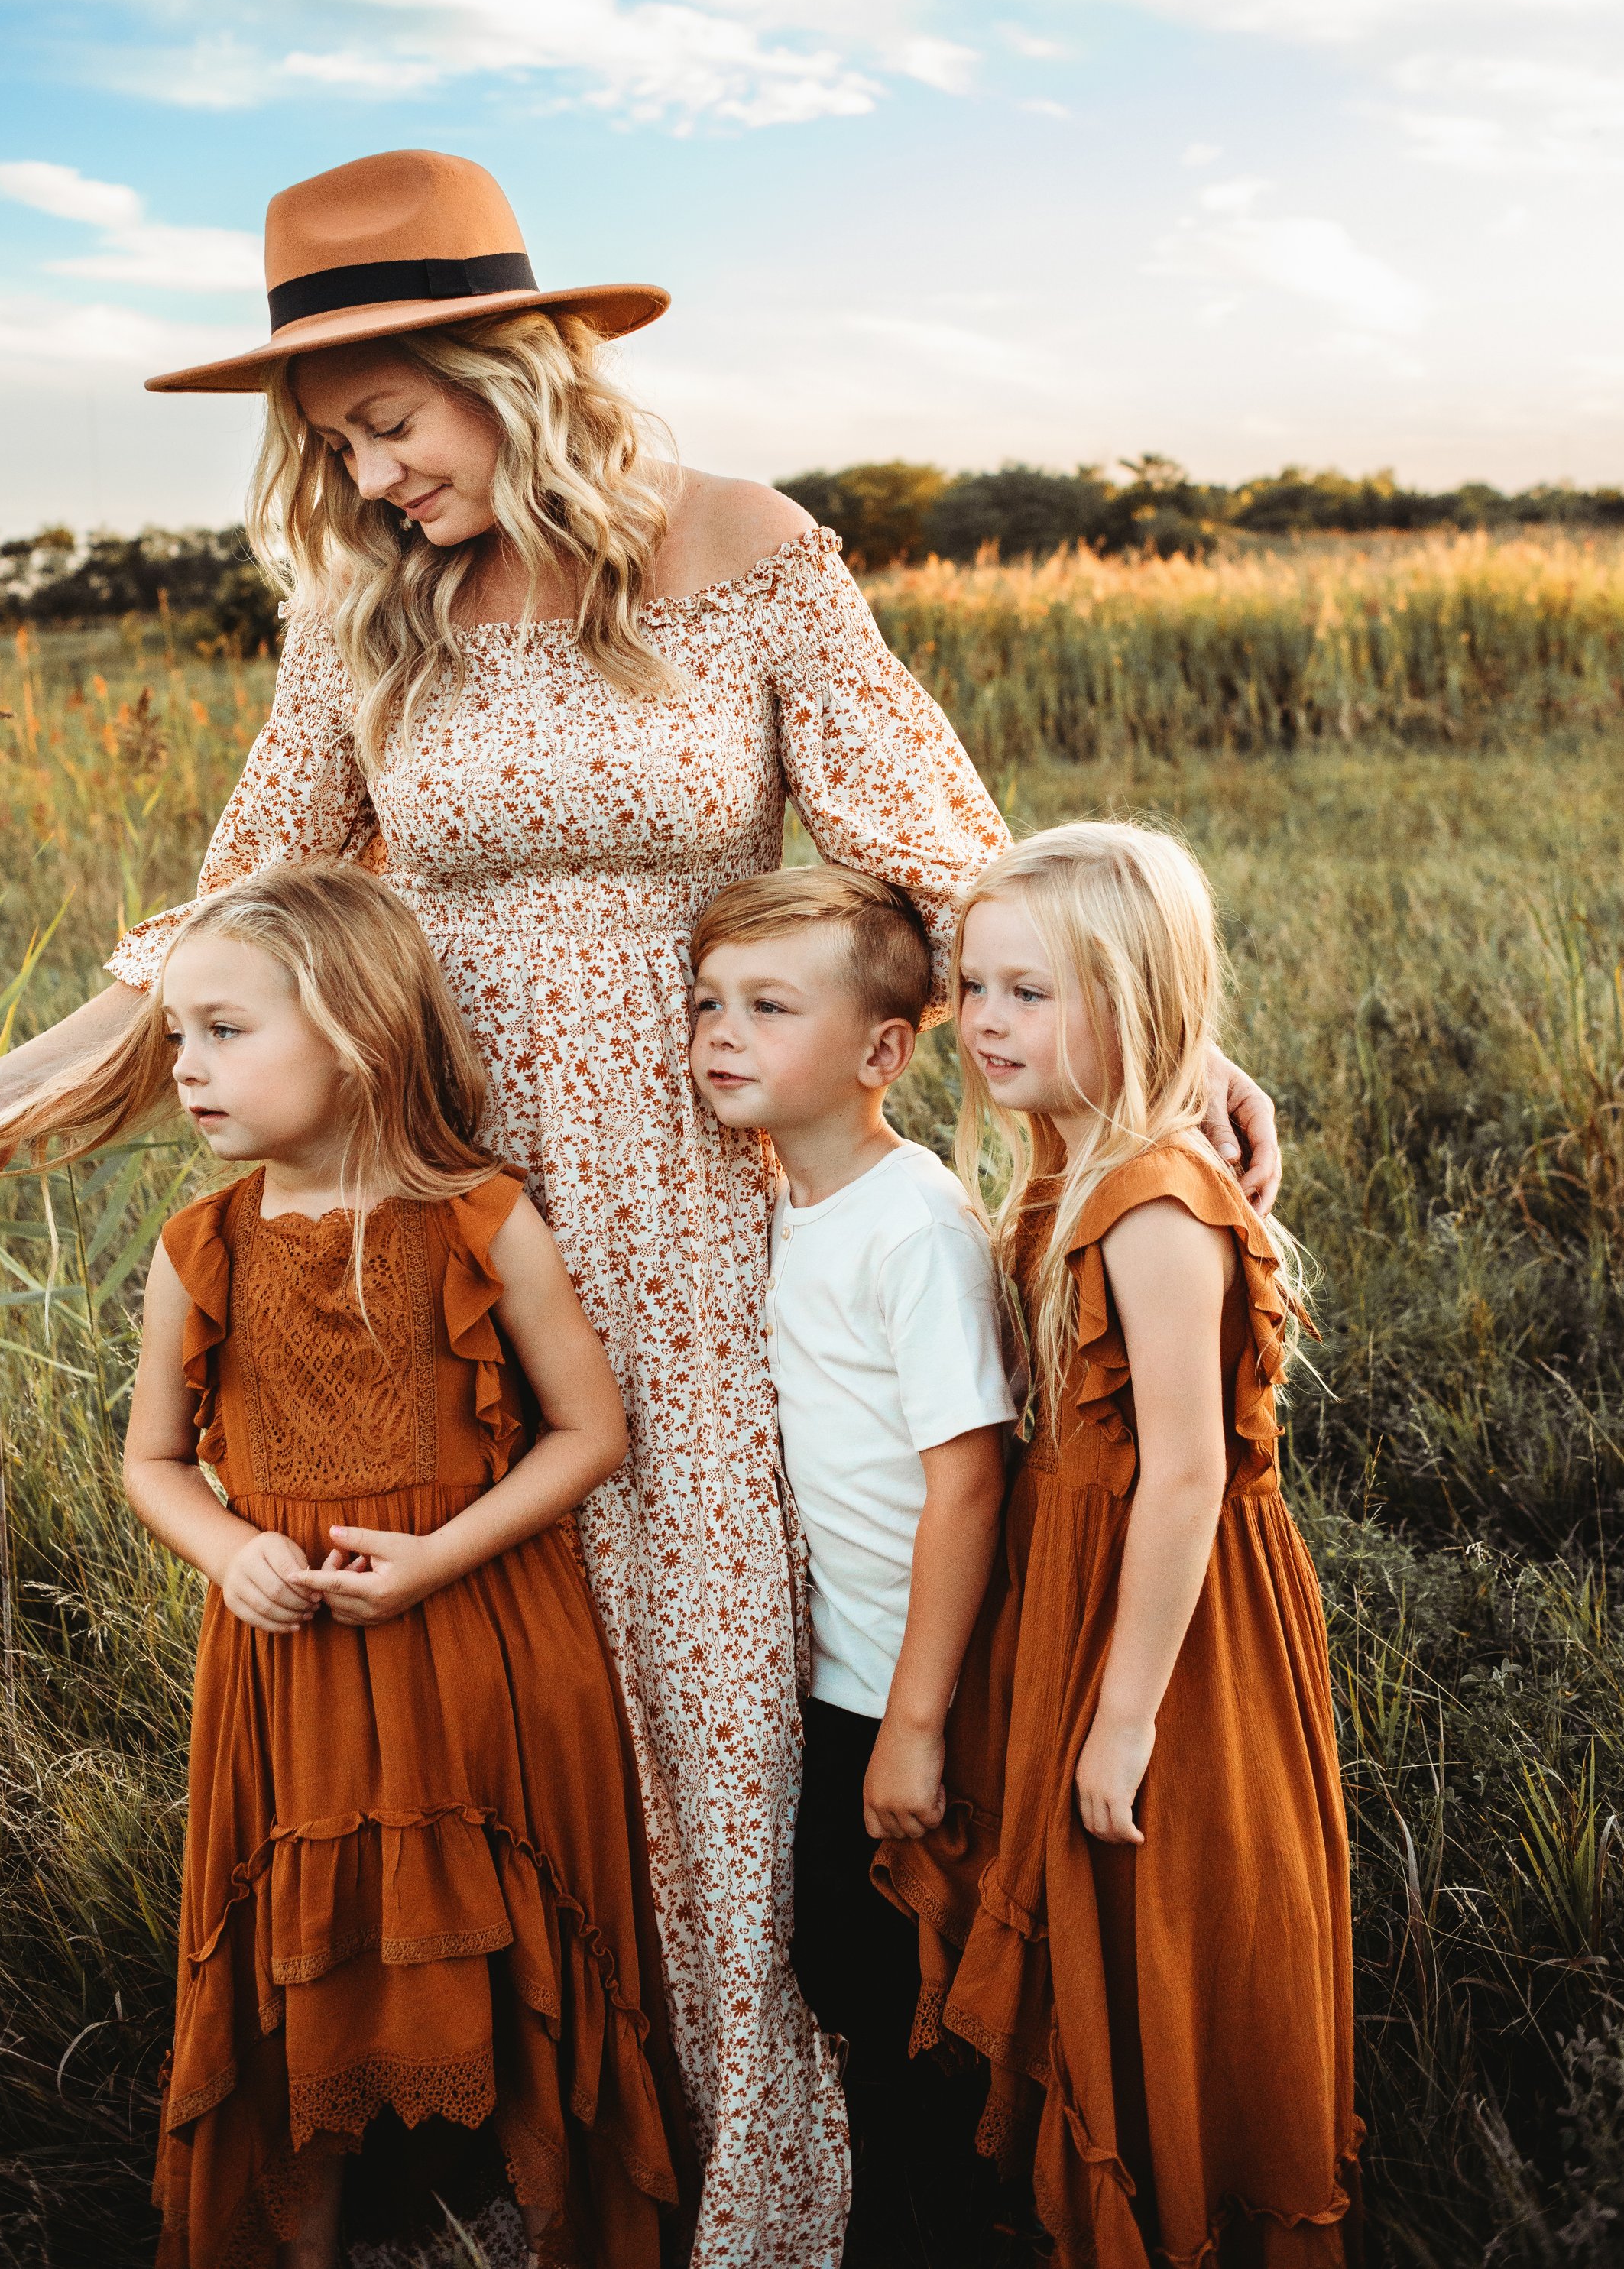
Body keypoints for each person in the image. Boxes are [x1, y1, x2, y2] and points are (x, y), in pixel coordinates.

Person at [0, 147, 1282, 2269]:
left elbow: (939, 839)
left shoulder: (742, 550)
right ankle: (571, 2159)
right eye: (331, 441)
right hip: (467, 1221)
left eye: (392, 422)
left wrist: (1162, 1046)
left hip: (720, 1211)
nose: (367, 473)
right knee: (531, 1692)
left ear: (511, 367)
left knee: (721, 1686)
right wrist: (12, 1083)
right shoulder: (361, 606)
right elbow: (234, 900)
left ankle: (769, 2184)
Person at [0, 861, 690, 2269]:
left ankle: (549, 2226)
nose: (186, 1070)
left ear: (358, 1034)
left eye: (223, 1032)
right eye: (178, 1037)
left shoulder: (482, 1220)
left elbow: (592, 1430)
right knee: (300, 1977)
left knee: (509, 1954)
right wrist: (230, 1548)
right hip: (293, 1669)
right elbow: (151, 1461)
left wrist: (439, 1554)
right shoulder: (198, 1246)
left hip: (481, 1650)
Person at [877, 822, 1360, 2269]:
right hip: (1078, 1603)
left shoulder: (1155, 1202)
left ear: (1139, 1003)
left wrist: (1126, 1716)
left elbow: (1189, 1475)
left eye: (1031, 992)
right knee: (1097, 1919)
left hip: (1175, 1638)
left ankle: (1188, 2204)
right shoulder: (1057, 1172)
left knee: (1172, 1910)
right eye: (975, 989)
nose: (985, 1023)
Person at [687, 865, 1015, 2268]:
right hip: (838, 1670)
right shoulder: (780, 1204)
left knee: (902, 1992)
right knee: (838, 1964)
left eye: (768, 1005)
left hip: (909, 1682)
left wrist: (917, 1722)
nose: (721, 1032)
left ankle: (950, 2229)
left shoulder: (913, 1224)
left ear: (884, 1051)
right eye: (707, 1001)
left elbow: (969, 1474)